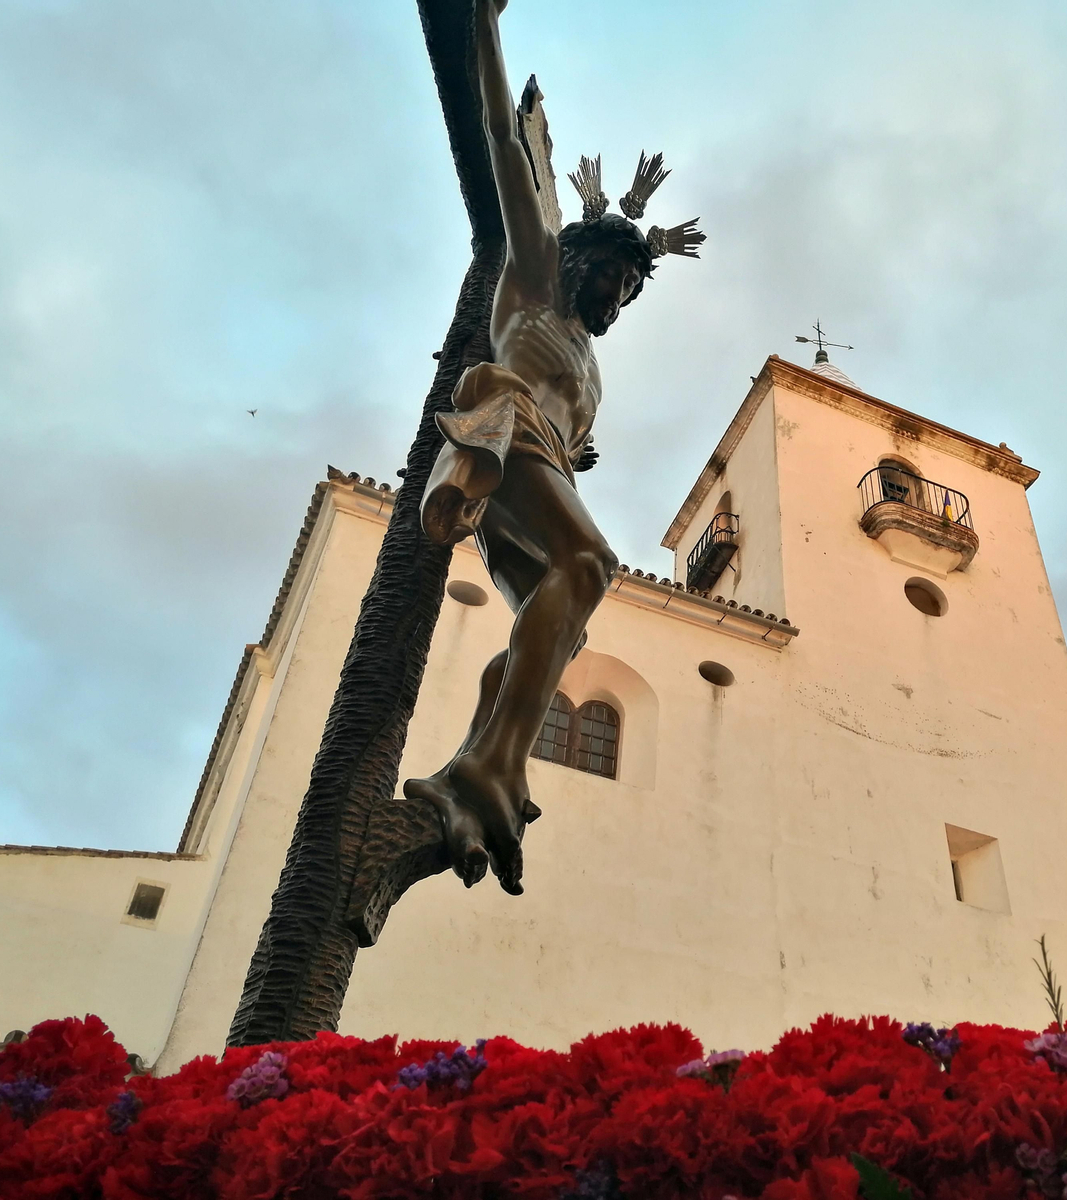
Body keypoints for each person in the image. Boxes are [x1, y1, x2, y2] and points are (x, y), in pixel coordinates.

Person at [404, 0, 702, 896]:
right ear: (577, 261)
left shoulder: (588, 358)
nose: (619, 295)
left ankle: (471, 764)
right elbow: (505, 141)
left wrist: (576, 452)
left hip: (539, 465)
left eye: (631, 287)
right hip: (506, 442)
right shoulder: (533, 283)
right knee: (591, 564)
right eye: (612, 274)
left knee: (559, 633)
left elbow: (570, 422)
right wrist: (486, 28)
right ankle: (497, 764)